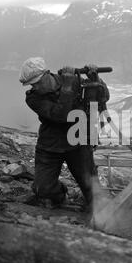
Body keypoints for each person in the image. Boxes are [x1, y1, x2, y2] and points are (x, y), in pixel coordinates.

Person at [19, 57, 109, 212]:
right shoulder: (33, 98)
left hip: (79, 142)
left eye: (38, 82)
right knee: (43, 189)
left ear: (47, 73)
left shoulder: (75, 81)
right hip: (50, 145)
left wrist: (96, 79)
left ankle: (97, 215)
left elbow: (103, 98)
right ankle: (61, 195)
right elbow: (61, 115)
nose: (36, 87)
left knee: (92, 190)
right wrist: (67, 88)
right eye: (33, 84)